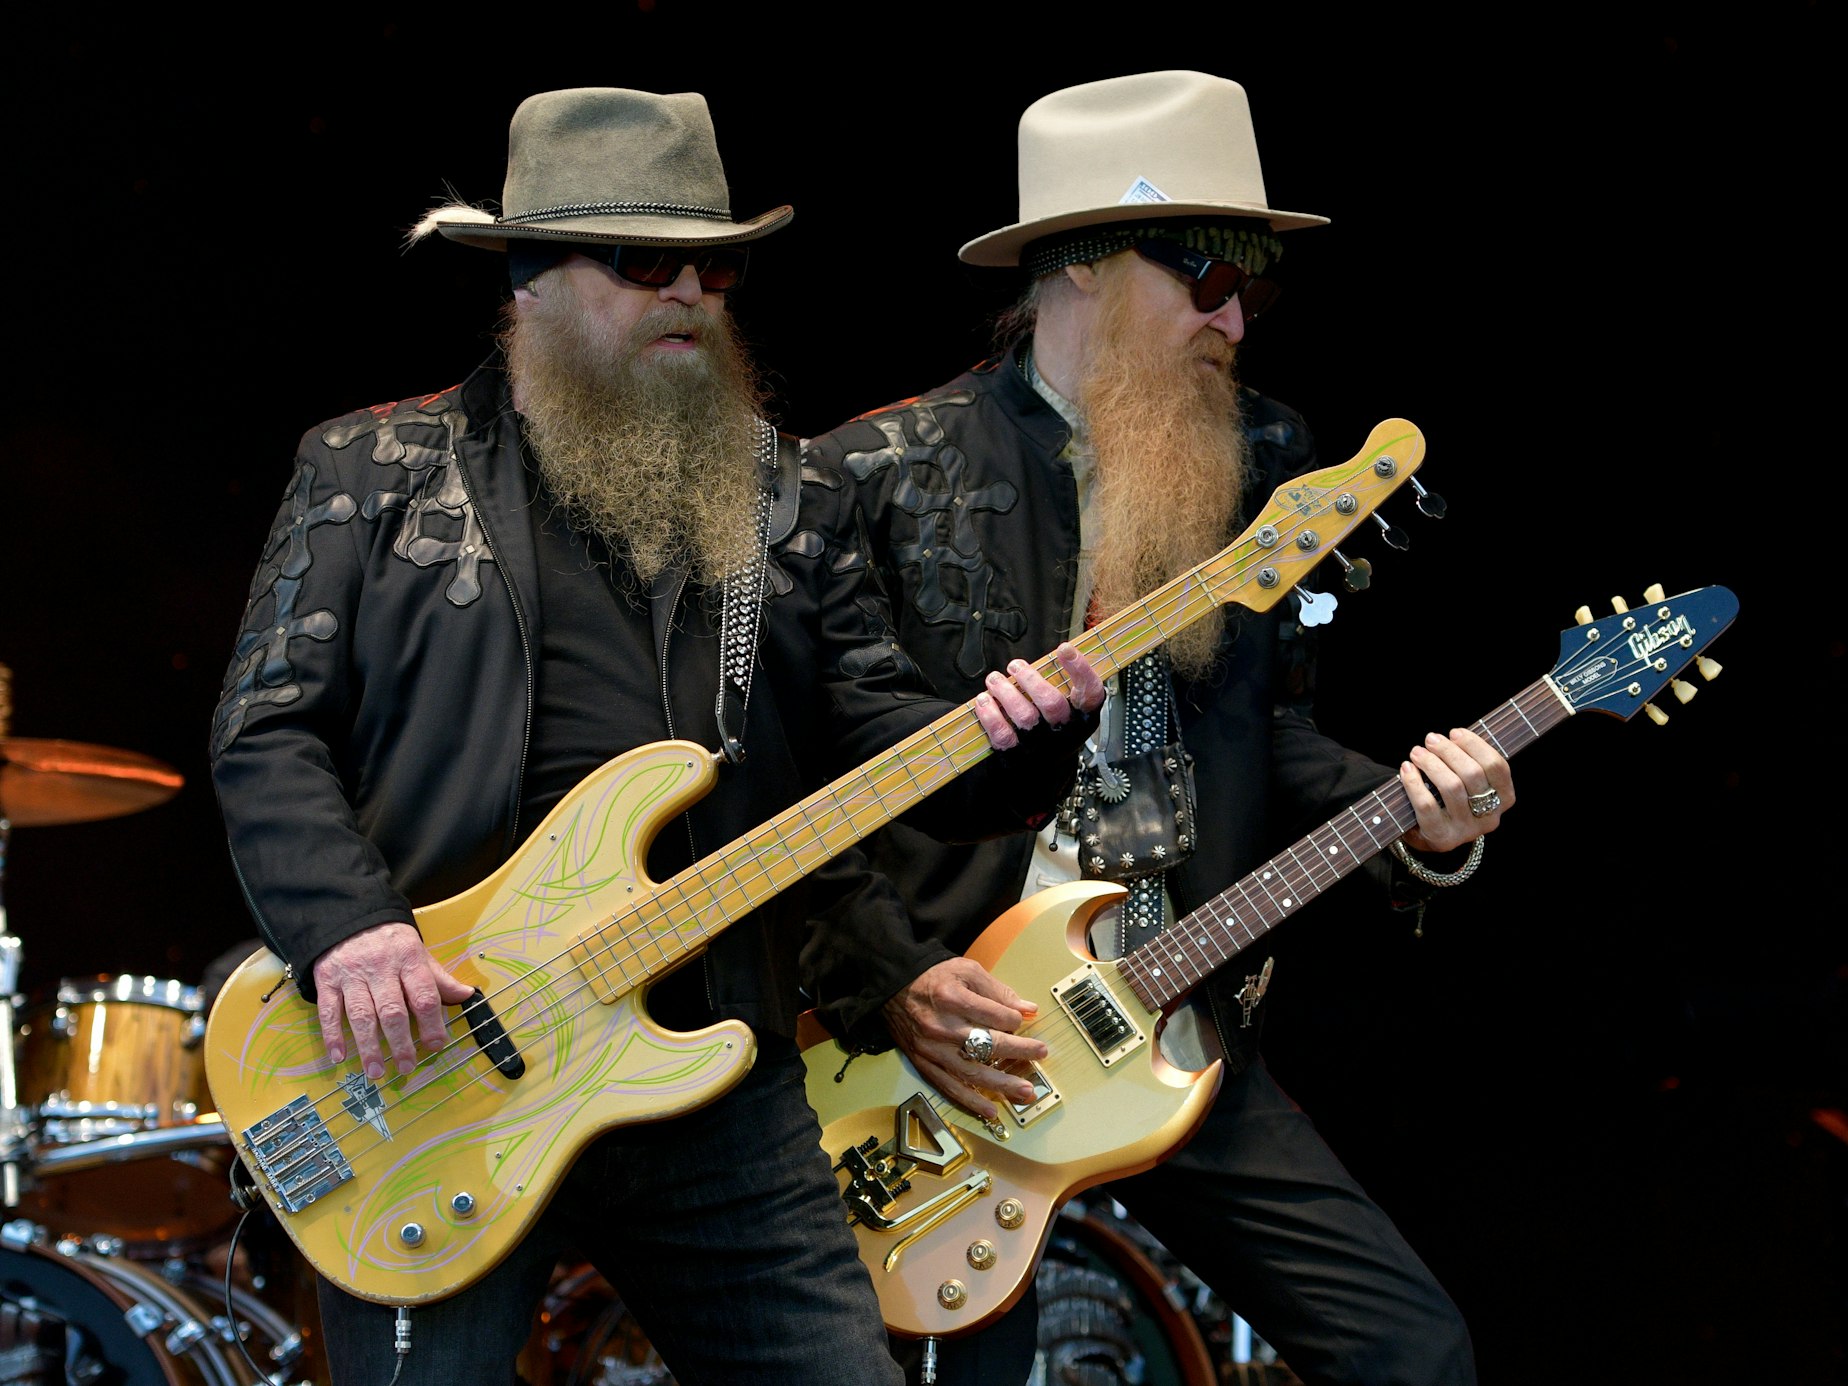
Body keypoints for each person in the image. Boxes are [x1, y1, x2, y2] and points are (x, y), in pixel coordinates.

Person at [206, 86, 1101, 1386]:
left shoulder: (782, 491)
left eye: (717, 264)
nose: (692, 288)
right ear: (531, 278)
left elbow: (878, 736)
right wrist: (351, 928)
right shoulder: (369, 467)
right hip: (445, 1066)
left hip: (710, 1085)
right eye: (644, 259)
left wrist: (1015, 740)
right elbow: (264, 726)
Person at [798, 71, 1512, 1385]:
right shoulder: (873, 476)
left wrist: (1428, 818)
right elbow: (782, 791)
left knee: (1417, 1348)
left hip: (1169, 1007)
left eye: (1258, 287)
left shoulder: (1264, 456)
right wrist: (890, 974)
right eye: (1206, 274)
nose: (1238, 316)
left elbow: (1263, 737)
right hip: (955, 1039)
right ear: (1077, 266)